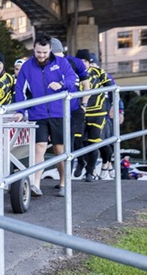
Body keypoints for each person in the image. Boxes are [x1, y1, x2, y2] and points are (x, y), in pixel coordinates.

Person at [13, 35, 77, 197]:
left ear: (50, 50)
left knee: (58, 149)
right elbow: (19, 89)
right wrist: (20, 111)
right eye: (38, 52)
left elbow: (72, 79)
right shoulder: (27, 66)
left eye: (44, 52)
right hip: (38, 113)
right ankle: (36, 184)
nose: (41, 55)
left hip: (59, 113)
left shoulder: (61, 63)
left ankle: (63, 181)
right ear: (34, 50)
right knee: (39, 148)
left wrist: (61, 84)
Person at [49, 37, 90, 184]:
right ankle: (63, 178)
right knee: (58, 148)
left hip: (74, 109)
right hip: (55, 111)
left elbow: (86, 85)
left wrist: (84, 105)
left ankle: (65, 181)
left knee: (68, 143)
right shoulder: (46, 64)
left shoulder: (76, 62)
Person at [75, 50, 115, 181]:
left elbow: (112, 88)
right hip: (79, 112)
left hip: (98, 112)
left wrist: (114, 106)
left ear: (89, 63)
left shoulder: (99, 73)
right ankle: (80, 161)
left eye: (85, 61)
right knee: (77, 141)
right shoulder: (71, 74)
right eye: (80, 61)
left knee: (94, 142)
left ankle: (90, 172)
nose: (83, 64)